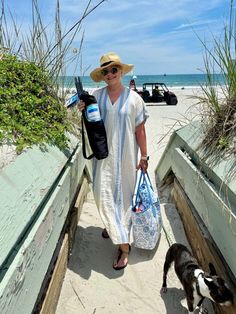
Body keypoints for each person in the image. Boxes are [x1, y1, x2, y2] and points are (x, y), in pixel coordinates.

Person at [79, 52, 149, 270]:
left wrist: (144, 156)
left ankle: (124, 247)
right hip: (102, 159)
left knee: (124, 199)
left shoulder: (135, 99)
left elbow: (140, 130)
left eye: (114, 70)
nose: (110, 74)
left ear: (121, 72)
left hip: (127, 159)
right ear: (102, 75)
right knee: (102, 195)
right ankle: (112, 225)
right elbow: (90, 124)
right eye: (105, 71)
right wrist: (82, 109)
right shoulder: (96, 96)